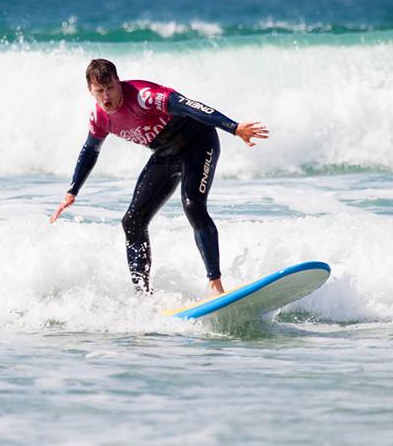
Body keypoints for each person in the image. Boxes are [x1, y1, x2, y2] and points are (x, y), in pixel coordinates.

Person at [50, 59, 268, 295]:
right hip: (166, 154)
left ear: (119, 82)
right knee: (132, 222)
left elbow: (193, 107)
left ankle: (215, 285)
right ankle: (143, 296)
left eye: (111, 87)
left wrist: (233, 128)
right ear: (90, 90)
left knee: (193, 205)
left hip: (198, 142)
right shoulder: (100, 118)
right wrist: (72, 191)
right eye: (100, 91)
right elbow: (90, 150)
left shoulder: (145, 96)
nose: (107, 96)